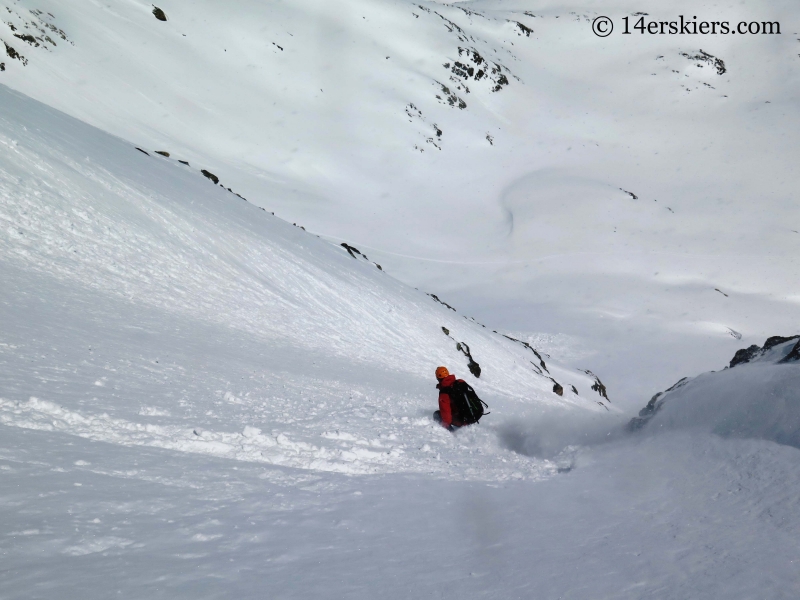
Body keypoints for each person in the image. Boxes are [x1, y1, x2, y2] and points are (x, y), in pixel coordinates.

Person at [433, 366, 465, 431]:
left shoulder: (444, 392)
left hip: (463, 421)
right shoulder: (460, 382)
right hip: (473, 416)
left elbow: (446, 416)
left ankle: (452, 433)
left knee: (437, 414)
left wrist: (446, 424)